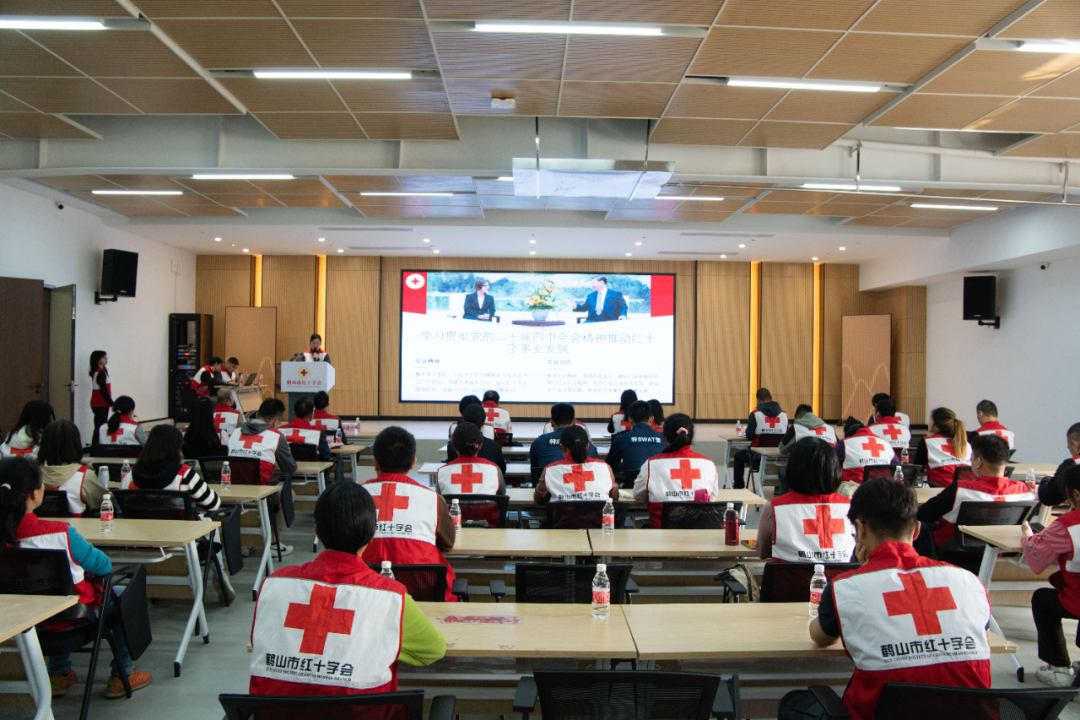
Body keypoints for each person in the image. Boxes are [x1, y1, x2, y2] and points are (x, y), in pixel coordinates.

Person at [779, 477, 991, 720]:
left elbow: (820, 637)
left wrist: (864, 574)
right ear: (917, 529)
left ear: (861, 529)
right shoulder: (969, 581)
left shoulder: (846, 588)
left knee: (795, 703)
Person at [249, 482, 446, 696]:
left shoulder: (274, 584)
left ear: (317, 532)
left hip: (275, 711)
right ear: (372, 534)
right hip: (364, 711)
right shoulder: (391, 597)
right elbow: (433, 649)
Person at [0, 457, 151, 698]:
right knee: (122, 595)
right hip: (73, 620)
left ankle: (59, 673)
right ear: (35, 494)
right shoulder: (61, 534)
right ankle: (123, 673)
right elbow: (104, 566)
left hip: (19, 622)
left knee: (51, 594)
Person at [361, 427, 458, 602]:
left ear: (375, 462)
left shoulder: (354, 497)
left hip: (364, 595)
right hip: (422, 596)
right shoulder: (432, 499)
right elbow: (448, 543)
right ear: (413, 463)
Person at [917, 434, 1033, 550]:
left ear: (979, 462)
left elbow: (922, 513)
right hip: (1000, 552)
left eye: (971, 458)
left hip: (954, 553)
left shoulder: (960, 489)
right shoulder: (1024, 491)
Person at [1021, 464, 1080, 687]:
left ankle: (1059, 669)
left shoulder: (1067, 525)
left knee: (1043, 600)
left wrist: (1027, 534)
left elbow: (1036, 555)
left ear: (1076, 494)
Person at [758, 437, 854, 562]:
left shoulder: (774, 508)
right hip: (840, 575)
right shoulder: (852, 507)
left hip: (790, 575)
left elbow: (763, 552)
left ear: (793, 467)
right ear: (834, 469)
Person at [634, 414, 719, 528]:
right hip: (698, 536)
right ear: (690, 437)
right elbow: (712, 499)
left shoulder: (651, 464)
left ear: (665, 438)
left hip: (660, 535)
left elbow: (638, 496)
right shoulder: (709, 464)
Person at [125, 426, 221, 515]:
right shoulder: (184, 474)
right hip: (182, 527)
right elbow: (213, 505)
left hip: (139, 527)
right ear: (177, 448)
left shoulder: (131, 473)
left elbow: (126, 502)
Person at [534, 425, 619, 504]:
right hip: (598, 516)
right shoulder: (604, 467)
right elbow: (614, 496)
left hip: (563, 516)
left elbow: (539, 500)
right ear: (587, 446)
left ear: (562, 447)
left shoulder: (550, 470)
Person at [39, 420, 102, 516]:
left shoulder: (29, 474)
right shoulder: (84, 476)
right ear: (76, 444)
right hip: (74, 526)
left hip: (37, 525)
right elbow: (100, 503)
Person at [228, 398, 297, 485]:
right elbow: (289, 468)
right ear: (275, 423)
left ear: (257, 415)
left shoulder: (235, 433)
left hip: (234, 487)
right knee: (289, 490)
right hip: (263, 490)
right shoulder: (277, 436)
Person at [732, 388, 788, 489]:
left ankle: (738, 486)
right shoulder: (784, 414)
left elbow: (749, 436)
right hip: (778, 458)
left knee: (738, 456)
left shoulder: (755, 414)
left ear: (758, 399)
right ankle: (778, 487)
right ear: (771, 398)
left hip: (757, 458)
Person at [531, 403, 598, 483]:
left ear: (552, 422)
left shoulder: (538, 443)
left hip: (549, 488)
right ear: (574, 422)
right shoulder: (587, 444)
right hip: (582, 488)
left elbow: (535, 471)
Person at [437, 423, 505, 496]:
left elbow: (440, 499)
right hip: (486, 504)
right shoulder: (494, 469)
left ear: (454, 447)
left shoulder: (442, 472)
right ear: (480, 446)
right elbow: (501, 495)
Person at [606, 400, 664, 486]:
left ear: (630, 420)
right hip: (658, 487)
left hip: (631, 488)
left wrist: (624, 465)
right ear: (652, 419)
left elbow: (609, 466)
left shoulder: (622, 439)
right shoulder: (663, 438)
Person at [913, 407, 972, 487]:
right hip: (964, 490)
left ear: (936, 425)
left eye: (930, 420)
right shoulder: (965, 444)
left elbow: (917, 468)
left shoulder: (927, 442)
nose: (928, 422)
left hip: (941, 491)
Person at [835, 418, 898, 486]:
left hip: (855, 489)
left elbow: (833, 464)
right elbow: (897, 464)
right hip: (883, 487)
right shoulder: (886, 444)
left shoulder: (845, 443)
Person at [446, 404, 506, 473]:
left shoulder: (452, 446)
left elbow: (450, 469)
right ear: (483, 423)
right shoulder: (495, 447)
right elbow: (501, 471)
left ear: (463, 420)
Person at [1037, 422, 1080, 508]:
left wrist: (1046, 479)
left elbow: (1048, 497)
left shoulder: (1071, 465)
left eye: (1069, 448)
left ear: (1076, 445)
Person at [281, 398, 332, 463]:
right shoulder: (319, 432)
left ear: (295, 413)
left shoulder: (280, 430)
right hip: (313, 468)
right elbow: (326, 456)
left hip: (287, 468)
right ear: (311, 415)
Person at [89, 350, 112, 443]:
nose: (106, 359)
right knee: (100, 427)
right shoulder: (100, 373)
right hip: (100, 403)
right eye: (103, 357)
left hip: (99, 403)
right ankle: (96, 447)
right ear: (98, 360)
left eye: (106, 357)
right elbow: (103, 390)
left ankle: (97, 446)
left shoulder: (101, 371)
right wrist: (111, 403)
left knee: (99, 427)